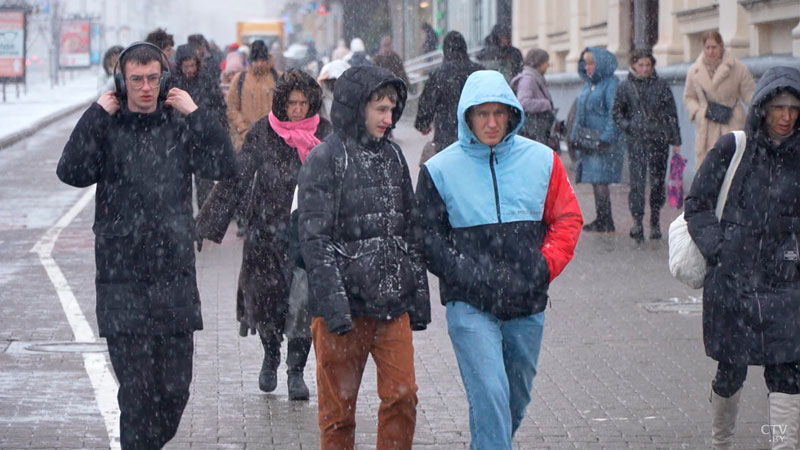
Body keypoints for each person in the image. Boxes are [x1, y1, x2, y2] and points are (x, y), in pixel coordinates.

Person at [55, 42, 237, 449]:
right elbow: (70, 171)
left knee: (175, 392)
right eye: (136, 79)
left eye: (153, 78)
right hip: (123, 284)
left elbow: (226, 166)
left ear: (164, 79)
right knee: (136, 399)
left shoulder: (179, 126)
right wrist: (95, 115)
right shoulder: (108, 127)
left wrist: (198, 114)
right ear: (122, 82)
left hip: (173, 278)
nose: (145, 87)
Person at [415, 69, 582, 449]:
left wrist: (542, 267)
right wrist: (465, 274)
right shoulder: (440, 169)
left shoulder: (543, 161)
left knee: (513, 400)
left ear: (511, 114)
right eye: (481, 114)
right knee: (490, 394)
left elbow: (568, 219)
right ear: (467, 116)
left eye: (498, 113)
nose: (491, 123)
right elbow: (426, 236)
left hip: (527, 299)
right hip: (469, 303)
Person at [297, 65, 430, 449]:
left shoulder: (393, 156)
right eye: (380, 110)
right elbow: (314, 239)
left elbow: (410, 230)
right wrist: (335, 307)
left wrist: (417, 300)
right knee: (338, 417)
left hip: (392, 307)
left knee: (403, 397)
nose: (389, 119)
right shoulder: (325, 158)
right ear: (357, 107)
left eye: (392, 109)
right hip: (343, 311)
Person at [197, 69, 331, 400]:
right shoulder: (263, 132)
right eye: (291, 103)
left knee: (302, 303)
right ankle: (271, 356)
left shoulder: (326, 134)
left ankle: (296, 371)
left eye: (303, 103)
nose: (297, 110)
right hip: (265, 235)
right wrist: (207, 222)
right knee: (268, 304)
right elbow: (237, 178)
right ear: (281, 102)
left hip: (307, 236)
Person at [685, 66, 800, 450]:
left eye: (794, 108)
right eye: (779, 107)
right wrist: (719, 249)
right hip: (733, 281)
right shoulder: (735, 148)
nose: (786, 116)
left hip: (787, 282)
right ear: (763, 108)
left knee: (788, 372)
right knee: (730, 371)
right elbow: (697, 204)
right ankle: (721, 442)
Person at [612, 49, 681, 242]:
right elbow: (617, 113)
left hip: (658, 140)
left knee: (658, 181)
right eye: (641, 65)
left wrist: (676, 140)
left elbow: (671, 115)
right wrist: (629, 126)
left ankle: (655, 221)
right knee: (637, 182)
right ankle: (637, 221)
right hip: (636, 141)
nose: (644, 69)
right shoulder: (625, 87)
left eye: (647, 65)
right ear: (633, 65)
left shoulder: (661, 86)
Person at [684, 30, 755, 168]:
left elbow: (749, 93)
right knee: (708, 170)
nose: (711, 51)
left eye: (714, 47)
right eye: (707, 48)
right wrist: (699, 112)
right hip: (707, 125)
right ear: (703, 48)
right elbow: (689, 97)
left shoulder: (737, 68)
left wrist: (758, 111)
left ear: (721, 46)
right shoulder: (695, 71)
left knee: (733, 166)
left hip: (732, 122)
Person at [570, 47, 622, 232]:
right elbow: (579, 114)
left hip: (602, 141)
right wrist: (574, 136)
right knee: (594, 178)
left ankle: (606, 220)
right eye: (585, 63)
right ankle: (601, 218)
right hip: (588, 141)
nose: (588, 67)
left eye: (591, 63)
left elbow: (613, 113)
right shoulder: (588, 85)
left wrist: (606, 138)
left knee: (601, 180)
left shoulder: (610, 84)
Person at [414, 31, 483, 165]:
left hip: (446, 136)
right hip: (475, 134)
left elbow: (426, 103)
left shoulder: (438, 75)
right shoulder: (479, 72)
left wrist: (423, 124)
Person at [174, 43, 229, 211]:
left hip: (203, 140)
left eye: (192, 65)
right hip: (180, 140)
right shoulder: (174, 83)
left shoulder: (206, 80)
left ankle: (203, 223)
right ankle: (185, 223)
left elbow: (219, 107)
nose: (190, 69)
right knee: (180, 186)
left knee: (204, 185)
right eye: (186, 66)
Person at [226, 39, 279, 150]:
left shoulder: (277, 78)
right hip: (246, 142)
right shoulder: (240, 79)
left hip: (273, 141)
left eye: (262, 60)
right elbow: (232, 108)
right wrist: (244, 129)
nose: (259, 64)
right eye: (255, 60)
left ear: (267, 59)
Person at [510, 48, 555, 145]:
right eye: (546, 62)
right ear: (540, 64)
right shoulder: (528, 79)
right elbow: (523, 103)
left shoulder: (535, 78)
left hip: (536, 131)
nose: (548, 65)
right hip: (532, 132)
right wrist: (545, 104)